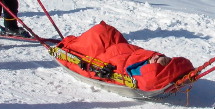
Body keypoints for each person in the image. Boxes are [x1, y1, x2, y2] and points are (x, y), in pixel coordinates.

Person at [56, 21, 195, 91]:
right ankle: (73, 42)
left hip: (108, 56)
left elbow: (149, 79)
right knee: (105, 32)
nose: (154, 58)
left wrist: (63, 51)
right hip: (119, 49)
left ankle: (70, 44)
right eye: (157, 57)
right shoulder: (151, 61)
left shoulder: (148, 75)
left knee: (96, 38)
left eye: (156, 60)